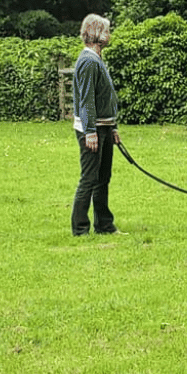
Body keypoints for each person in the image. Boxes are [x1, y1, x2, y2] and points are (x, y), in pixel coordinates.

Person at [71, 13, 123, 236]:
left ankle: (104, 225)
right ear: (97, 34)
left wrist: (112, 127)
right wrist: (90, 131)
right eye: (106, 30)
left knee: (103, 178)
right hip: (91, 130)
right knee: (90, 178)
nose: (109, 35)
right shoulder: (88, 61)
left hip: (103, 127)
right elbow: (87, 100)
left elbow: (105, 98)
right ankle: (80, 229)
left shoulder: (97, 59)